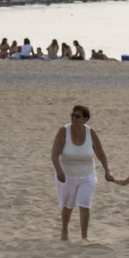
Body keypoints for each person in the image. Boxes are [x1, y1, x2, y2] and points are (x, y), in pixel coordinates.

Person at [50, 104, 114, 242]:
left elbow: (101, 154)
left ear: (85, 119)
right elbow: (54, 154)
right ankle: (64, 230)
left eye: (77, 116)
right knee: (68, 205)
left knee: (85, 204)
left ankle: (84, 236)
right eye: (72, 115)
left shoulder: (91, 132)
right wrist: (59, 171)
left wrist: (107, 171)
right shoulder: (63, 131)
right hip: (67, 174)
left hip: (87, 174)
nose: (74, 118)